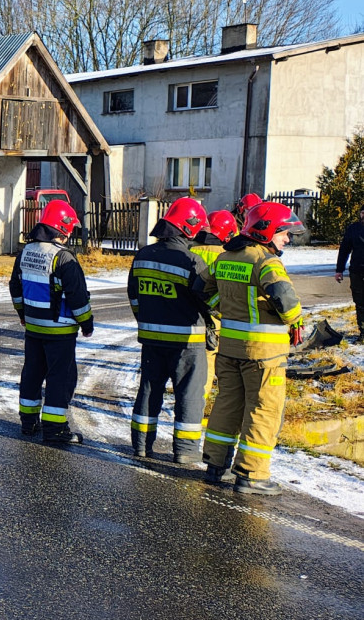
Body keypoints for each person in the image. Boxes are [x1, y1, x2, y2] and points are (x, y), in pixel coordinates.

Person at [199, 202, 305, 496]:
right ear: (267, 231)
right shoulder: (266, 262)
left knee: (228, 404)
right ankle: (252, 474)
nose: (288, 239)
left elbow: (201, 291)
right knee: (263, 409)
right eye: (284, 233)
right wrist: (295, 321)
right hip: (264, 354)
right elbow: (286, 303)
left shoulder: (225, 258)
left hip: (229, 349)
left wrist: (223, 309)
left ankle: (214, 464)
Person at [128, 197, 211, 463]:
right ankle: (185, 451)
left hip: (151, 338)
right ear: (189, 226)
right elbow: (210, 303)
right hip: (187, 341)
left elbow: (134, 297)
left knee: (149, 391)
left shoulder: (142, 255)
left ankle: (141, 445)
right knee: (188, 394)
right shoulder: (191, 261)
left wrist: (147, 320)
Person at [9, 199, 94, 444]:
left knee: (32, 374)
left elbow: (15, 287)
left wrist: (22, 314)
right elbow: (78, 298)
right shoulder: (64, 258)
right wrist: (87, 324)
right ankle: (55, 431)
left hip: (34, 328)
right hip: (60, 331)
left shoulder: (25, 252)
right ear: (62, 228)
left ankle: (28, 423)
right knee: (60, 379)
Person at [190, 210, 239, 399]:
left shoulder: (188, 248)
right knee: (209, 360)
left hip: (186, 315)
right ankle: (198, 403)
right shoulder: (226, 255)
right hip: (214, 317)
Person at [333, 206, 364, 340]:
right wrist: (339, 270)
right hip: (357, 271)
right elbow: (344, 249)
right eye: (363, 213)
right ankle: (363, 332)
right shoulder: (353, 228)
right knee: (360, 302)